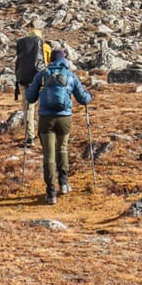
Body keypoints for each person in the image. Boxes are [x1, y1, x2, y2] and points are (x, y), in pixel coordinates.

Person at [25, 48, 91, 204]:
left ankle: (50, 192)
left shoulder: (42, 75)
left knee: (48, 155)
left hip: (45, 119)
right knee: (63, 148)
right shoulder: (70, 75)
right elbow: (83, 98)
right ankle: (64, 183)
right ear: (64, 59)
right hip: (64, 118)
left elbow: (30, 97)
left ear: (51, 60)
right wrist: (90, 96)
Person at [14, 26, 50, 148]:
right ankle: (43, 134)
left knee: (28, 108)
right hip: (41, 80)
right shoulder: (45, 47)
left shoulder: (24, 48)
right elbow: (49, 62)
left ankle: (29, 137)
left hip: (25, 82)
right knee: (42, 107)